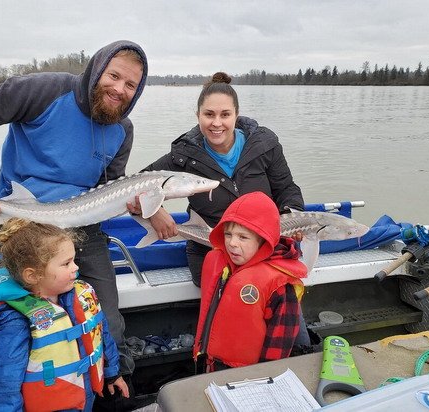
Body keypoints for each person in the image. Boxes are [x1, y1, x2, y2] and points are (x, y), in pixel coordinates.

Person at [0, 40, 147, 409]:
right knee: (8, 330)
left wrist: (144, 206)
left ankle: (108, 393)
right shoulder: (44, 90)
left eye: (131, 85)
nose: (120, 89)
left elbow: (111, 186)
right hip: (23, 226)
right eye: (114, 76)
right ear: (97, 69)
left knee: (107, 323)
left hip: (85, 230)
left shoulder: (123, 129)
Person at [129, 71, 303, 287]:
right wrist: (155, 211)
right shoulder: (183, 156)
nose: (217, 123)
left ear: (236, 115)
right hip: (209, 249)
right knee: (232, 301)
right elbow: (135, 186)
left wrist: (293, 215)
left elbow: (286, 188)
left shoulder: (265, 146)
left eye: (225, 115)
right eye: (209, 114)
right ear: (198, 115)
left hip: (264, 246)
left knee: (277, 299)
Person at [0, 218, 129, 411]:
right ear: (32, 275)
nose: (76, 268)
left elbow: (100, 336)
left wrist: (111, 374)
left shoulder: (80, 295)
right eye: (66, 264)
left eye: (74, 260)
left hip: (82, 400)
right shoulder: (13, 320)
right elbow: (3, 385)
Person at [193, 191, 308, 371]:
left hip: (249, 373)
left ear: (264, 240)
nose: (232, 243)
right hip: (212, 363)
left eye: (243, 237)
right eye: (228, 234)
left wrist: (263, 377)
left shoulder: (280, 286)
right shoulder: (223, 265)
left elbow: (279, 346)